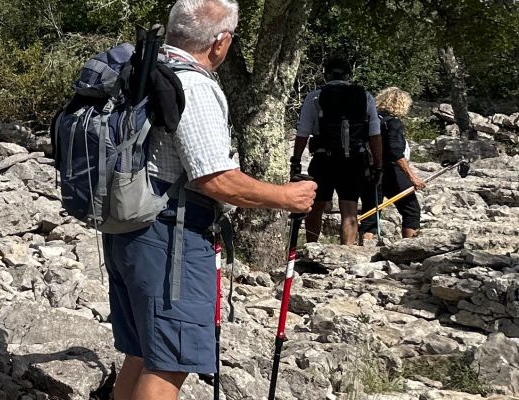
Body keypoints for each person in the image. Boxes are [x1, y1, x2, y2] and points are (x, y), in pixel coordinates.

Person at [105, 1, 318, 399]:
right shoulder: (195, 85)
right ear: (221, 42)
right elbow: (216, 180)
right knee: (170, 360)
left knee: (142, 350)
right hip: (171, 236)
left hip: (126, 226)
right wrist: (285, 197)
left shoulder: (140, 70)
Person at [291, 58, 385, 245]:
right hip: (355, 159)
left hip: (323, 158)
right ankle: (346, 254)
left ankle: (312, 248)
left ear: (326, 74)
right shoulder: (365, 96)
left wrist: (295, 161)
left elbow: (303, 132)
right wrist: (378, 165)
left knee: (315, 206)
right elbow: (375, 134)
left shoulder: (315, 97)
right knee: (349, 210)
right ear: (349, 75)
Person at [359, 87, 425, 241]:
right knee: (411, 210)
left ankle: (363, 249)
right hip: (391, 172)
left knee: (371, 213)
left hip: (369, 169)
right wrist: (412, 177)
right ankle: (409, 249)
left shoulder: (369, 120)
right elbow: (396, 154)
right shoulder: (392, 123)